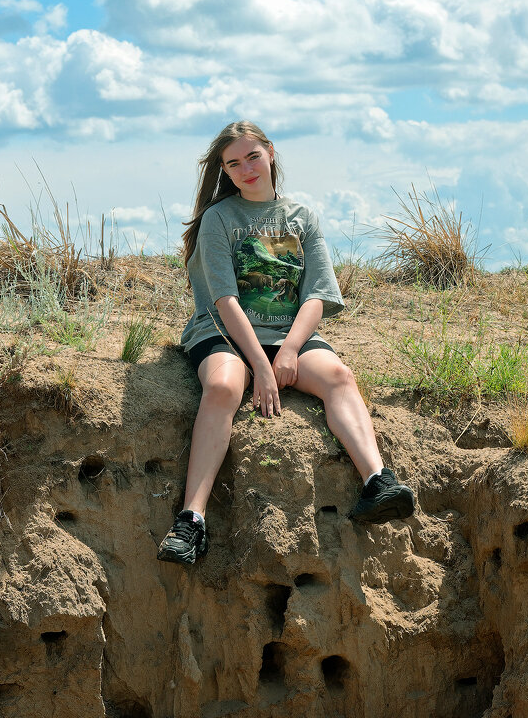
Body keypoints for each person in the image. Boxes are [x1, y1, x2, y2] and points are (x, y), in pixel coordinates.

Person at [157, 121, 414, 565]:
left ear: (271, 153)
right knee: (222, 388)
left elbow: (318, 294)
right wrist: (259, 364)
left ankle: (377, 481)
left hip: (288, 334)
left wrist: (291, 350)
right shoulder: (219, 219)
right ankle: (191, 521)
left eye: (252, 156)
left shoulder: (302, 217)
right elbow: (224, 298)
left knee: (339, 375)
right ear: (224, 170)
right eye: (233, 163)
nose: (245, 169)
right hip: (222, 331)